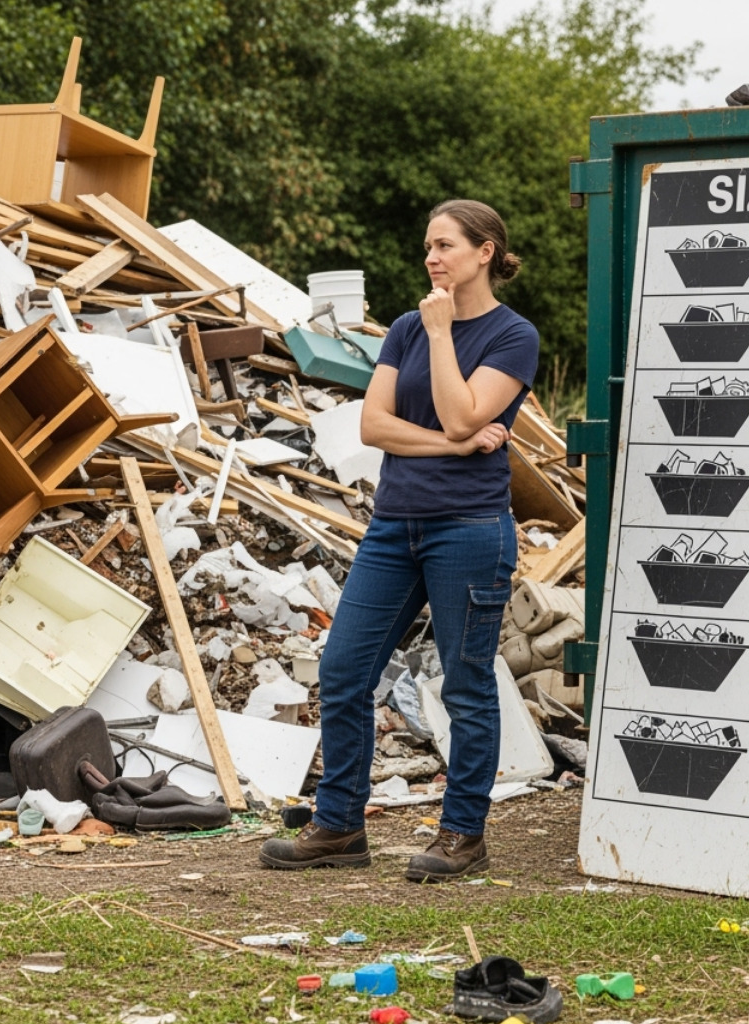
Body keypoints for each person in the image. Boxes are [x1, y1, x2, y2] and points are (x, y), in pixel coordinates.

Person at [260, 199, 539, 882]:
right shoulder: (406, 328)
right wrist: (457, 442)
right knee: (344, 670)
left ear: (484, 252)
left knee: (467, 685)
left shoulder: (511, 336)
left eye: (444, 245)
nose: (431, 258)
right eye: (427, 247)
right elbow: (374, 428)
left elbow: (464, 408)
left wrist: (446, 344)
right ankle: (339, 825)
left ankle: (463, 835)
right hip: (394, 527)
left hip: (469, 531)